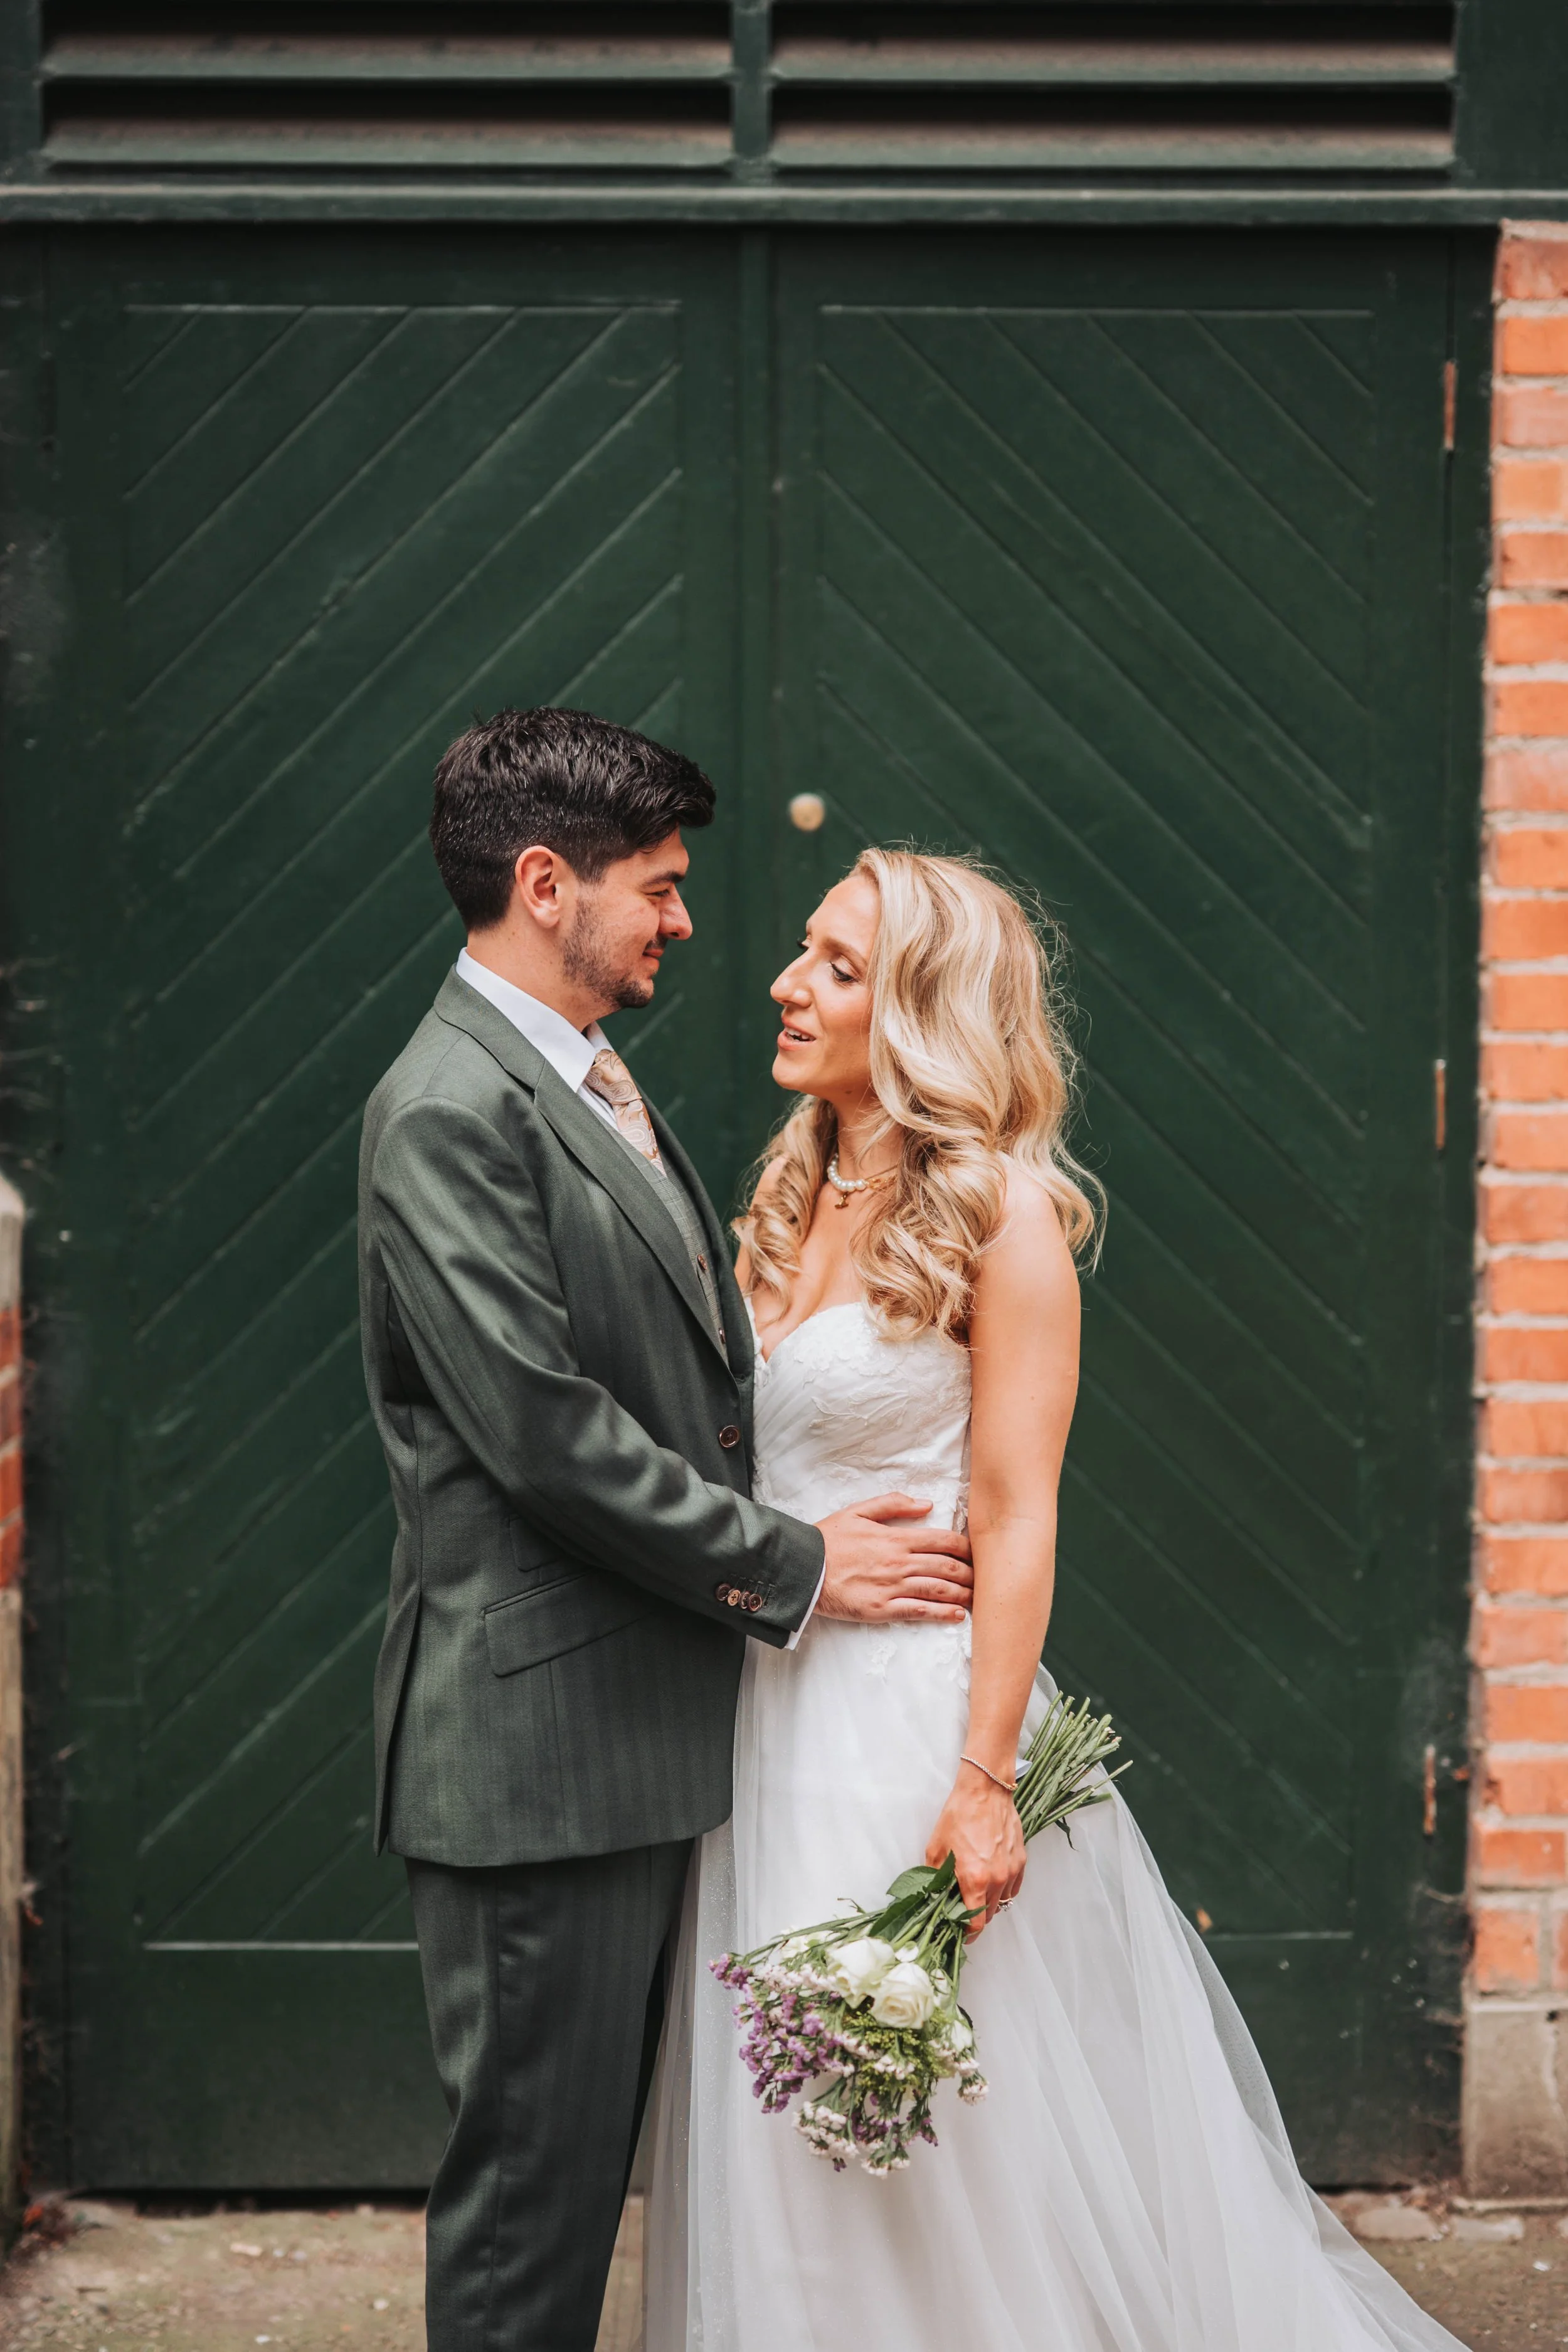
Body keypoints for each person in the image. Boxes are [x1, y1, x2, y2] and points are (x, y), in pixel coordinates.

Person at [646, 847, 1466, 2352]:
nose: (783, 982)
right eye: (805, 954)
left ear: (912, 1009)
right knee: (780, 2115)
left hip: (898, 1734)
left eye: (832, 965)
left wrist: (981, 1780)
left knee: (933, 2138)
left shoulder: (1001, 1218)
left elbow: (1016, 1517)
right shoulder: (783, 1190)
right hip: (759, 1718)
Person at [356, 712, 977, 2350]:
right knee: (530, 2214)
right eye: (662, 886)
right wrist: (801, 1559)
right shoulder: (448, 1107)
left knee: (582, 2194)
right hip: (534, 1754)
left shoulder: (581, 1077)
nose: (686, 922)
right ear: (546, 883)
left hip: (639, 1735)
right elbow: (544, 1434)